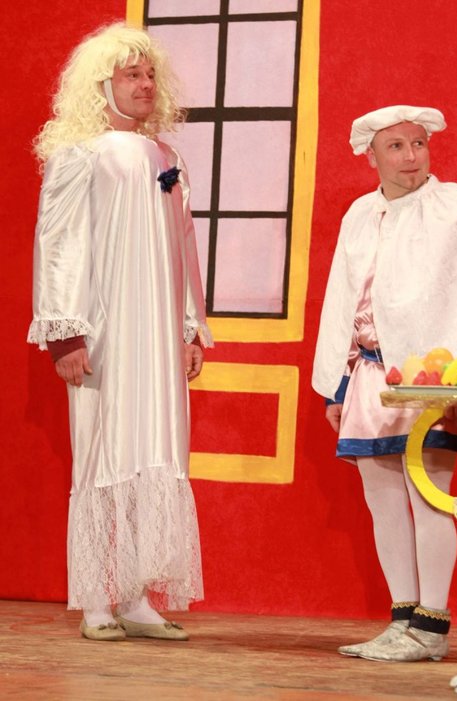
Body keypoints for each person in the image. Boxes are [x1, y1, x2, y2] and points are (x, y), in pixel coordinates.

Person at [27, 23, 213, 641]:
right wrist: (65, 335)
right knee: (102, 454)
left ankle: (136, 598)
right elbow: (58, 245)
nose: (144, 84)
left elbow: (184, 248)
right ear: (103, 84)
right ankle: (96, 601)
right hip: (105, 332)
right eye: (131, 74)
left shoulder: (167, 159)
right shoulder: (80, 154)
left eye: (149, 74)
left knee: (153, 454)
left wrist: (189, 329)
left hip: (157, 339)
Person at [312, 105, 457, 662]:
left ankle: (432, 626)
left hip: (432, 378)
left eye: (418, 144)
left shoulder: (455, 206)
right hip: (370, 374)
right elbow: (343, 297)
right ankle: (403, 620)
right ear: (371, 156)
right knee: (383, 500)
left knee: (429, 497)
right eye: (396, 146)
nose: (410, 156)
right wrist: (337, 383)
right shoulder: (360, 213)